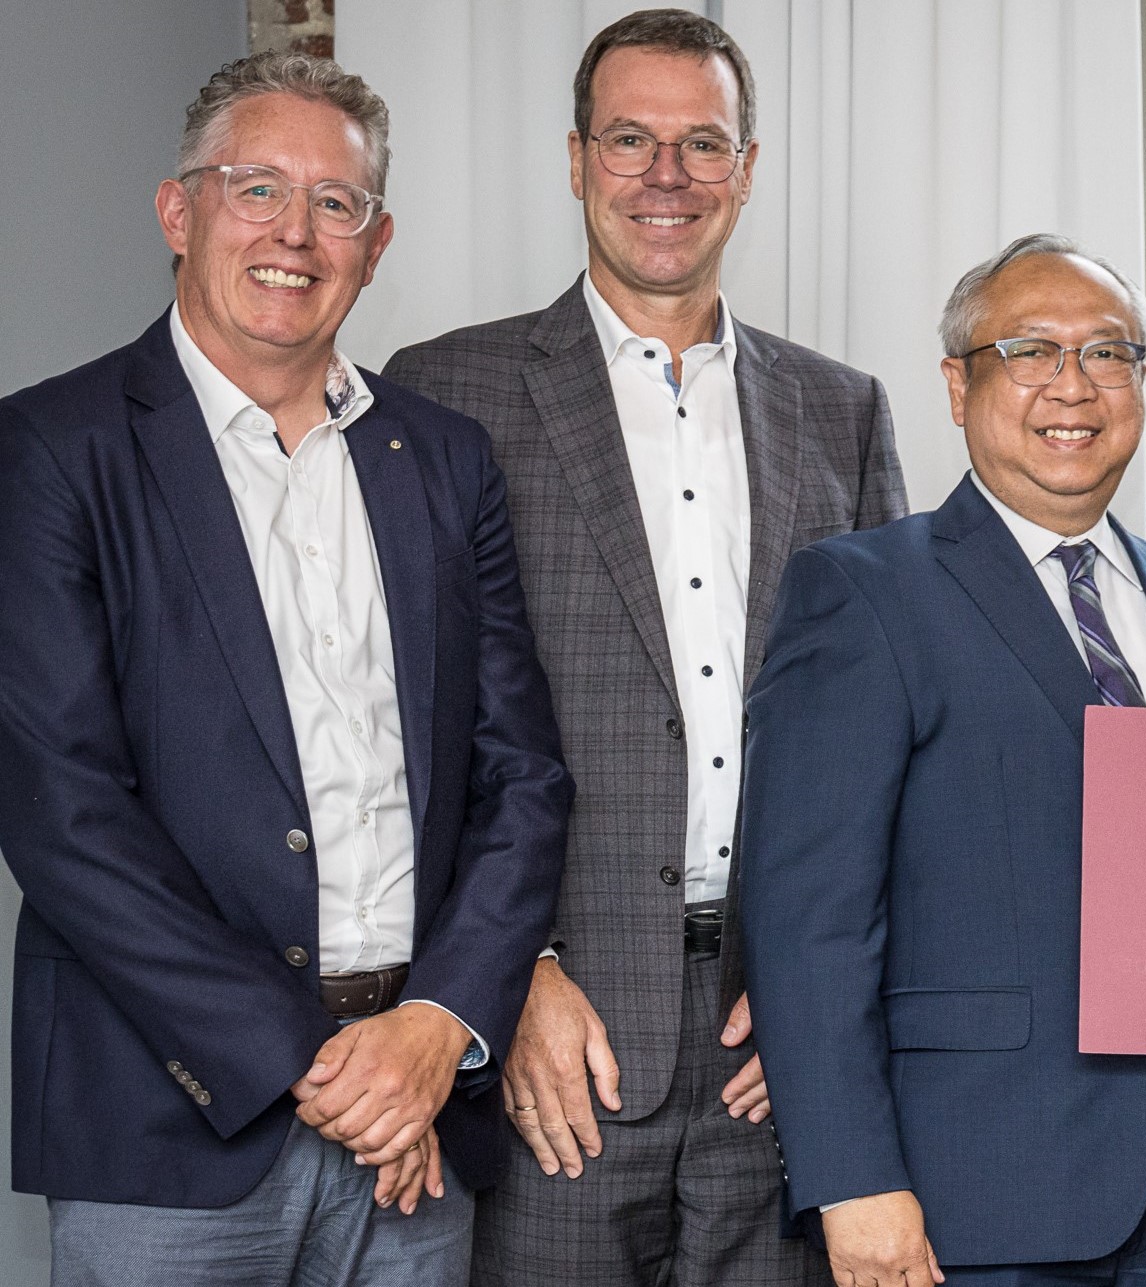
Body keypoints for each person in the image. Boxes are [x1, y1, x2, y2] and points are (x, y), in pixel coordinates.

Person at [0, 52, 570, 1284]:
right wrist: (318, 1067)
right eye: (256, 187)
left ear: (376, 243)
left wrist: (435, 1030)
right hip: (171, 1122)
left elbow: (519, 775)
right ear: (179, 209)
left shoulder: (445, 461)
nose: (294, 233)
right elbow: (64, 814)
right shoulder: (51, 450)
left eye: (336, 204)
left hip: (417, 1115)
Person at [382, 12, 905, 1281]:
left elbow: (889, 732)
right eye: (630, 140)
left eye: (701, 143)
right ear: (574, 160)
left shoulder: (839, 409)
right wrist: (510, 973)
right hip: (551, 1035)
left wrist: (824, 1004)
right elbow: (402, 725)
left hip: (768, 1047)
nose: (664, 177)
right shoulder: (444, 393)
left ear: (748, 165)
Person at [740, 235, 1146, 1286]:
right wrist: (850, 1179)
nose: (1074, 385)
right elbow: (805, 916)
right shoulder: (863, 592)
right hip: (971, 1193)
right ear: (959, 384)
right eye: (1031, 351)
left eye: (1109, 353)